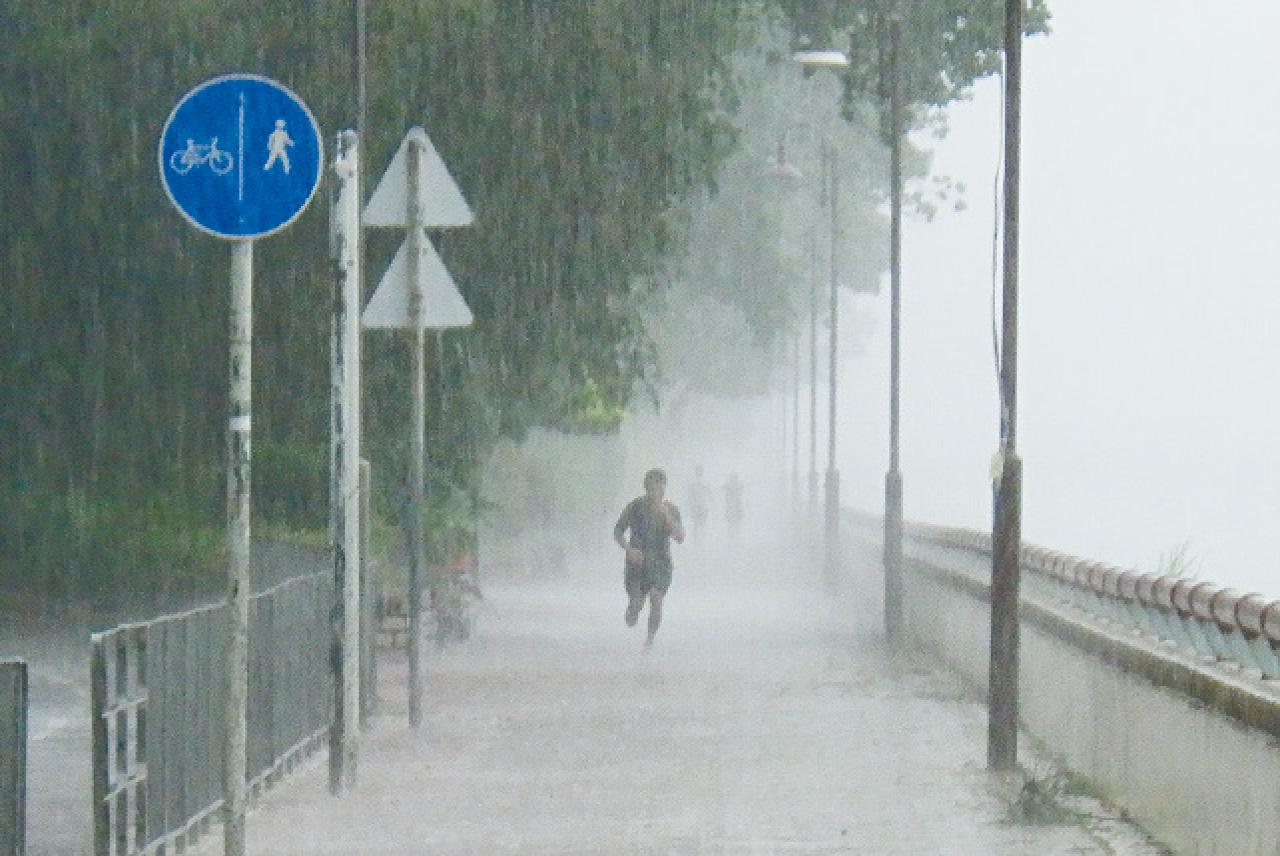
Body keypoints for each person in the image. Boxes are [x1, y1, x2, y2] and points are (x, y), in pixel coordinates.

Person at [613, 468, 685, 647]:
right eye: (652, 488)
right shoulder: (635, 507)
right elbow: (618, 531)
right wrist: (628, 549)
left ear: (664, 489)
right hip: (637, 564)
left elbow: (680, 537)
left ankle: (649, 641)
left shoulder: (671, 510)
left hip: (661, 564)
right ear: (646, 488)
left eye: (660, 488)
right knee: (636, 607)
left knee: (656, 598)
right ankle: (633, 610)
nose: (656, 492)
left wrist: (666, 516)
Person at [687, 465, 711, 539]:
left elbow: (709, 492)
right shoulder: (693, 482)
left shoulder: (705, 481)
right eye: (698, 471)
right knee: (696, 524)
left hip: (703, 506)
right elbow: (690, 494)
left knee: (701, 524)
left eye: (700, 471)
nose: (699, 472)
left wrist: (712, 502)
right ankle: (697, 540)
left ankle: (702, 539)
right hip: (696, 506)